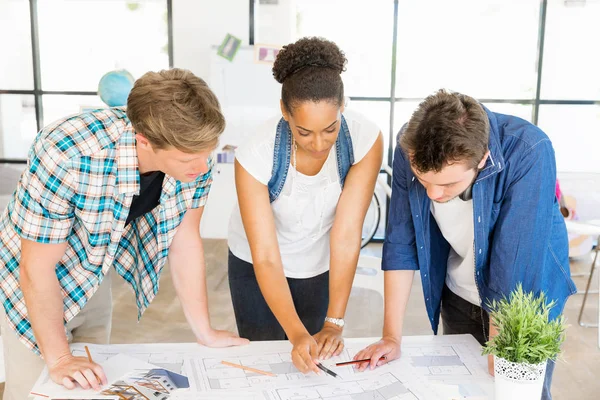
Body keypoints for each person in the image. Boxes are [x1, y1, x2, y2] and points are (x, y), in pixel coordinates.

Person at [0, 68, 248, 400]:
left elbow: (185, 240)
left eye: (207, 154)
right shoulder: (67, 152)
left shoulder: (192, 153)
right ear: (144, 140)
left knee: (91, 386)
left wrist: (205, 332)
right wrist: (59, 358)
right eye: (189, 158)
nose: (203, 168)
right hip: (29, 278)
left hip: (94, 266)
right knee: (36, 389)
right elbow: (36, 266)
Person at [354, 90, 576, 400]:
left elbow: (515, 263)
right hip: (458, 287)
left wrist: (501, 350)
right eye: (424, 180)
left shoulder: (529, 150)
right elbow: (401, 241)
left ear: (483, 159)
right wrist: (391, 337)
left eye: (447, 184)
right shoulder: (410, 144)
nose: (433, 194)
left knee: (513, 391)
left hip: (524, 300)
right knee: (462, 390)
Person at [228, 37, 383, 374]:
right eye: (304, 132)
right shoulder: (256, 152)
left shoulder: (365, 138)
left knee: (314, 360)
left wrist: (334, 322)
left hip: (318, 262)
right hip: (258, 266)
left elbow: (346, 233)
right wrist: (295, 332)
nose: (318, 144)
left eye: (329, 129)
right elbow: (266, 255)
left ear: (343, 105)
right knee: (267, 363)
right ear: (284, 113)